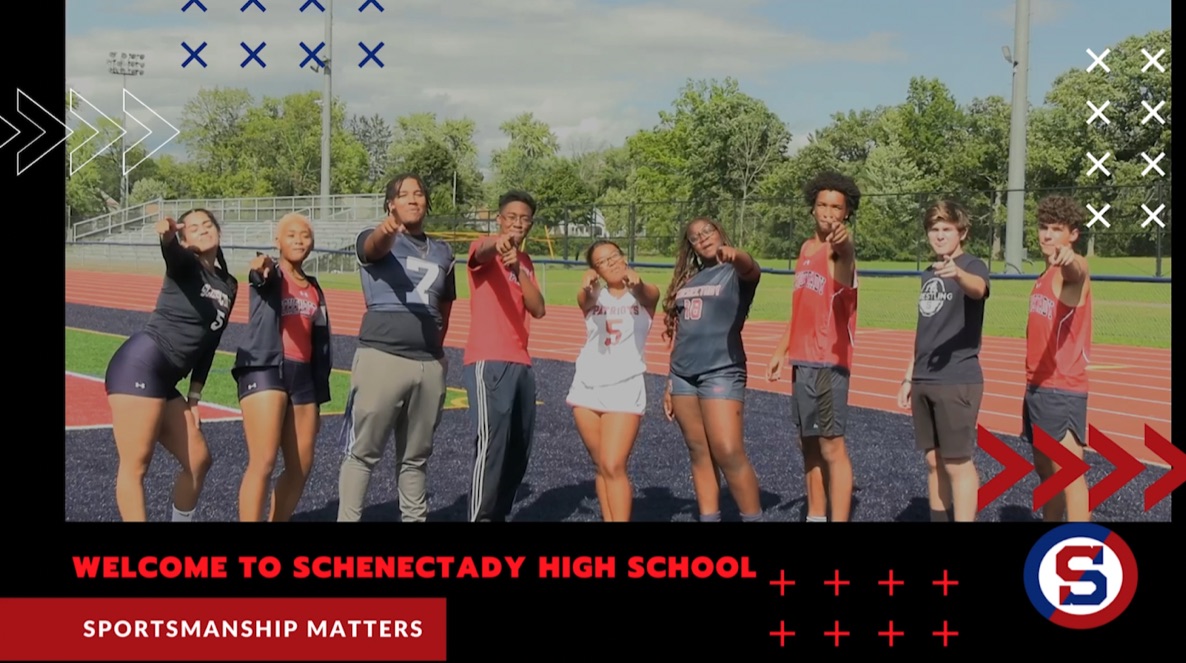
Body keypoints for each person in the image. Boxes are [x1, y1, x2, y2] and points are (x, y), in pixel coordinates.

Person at [103, 209, 238, 522]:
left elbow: (210, 342)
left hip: (166, 381)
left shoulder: (229, 284)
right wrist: (165, 234)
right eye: (193, 227)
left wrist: (194, 399)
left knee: (199, 460)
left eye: (208, 224)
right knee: (136, 464)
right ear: (185, 239)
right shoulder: (185, 265)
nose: (203, 230)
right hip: (140, 366)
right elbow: (171, 252)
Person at [337, 174, 456, 522]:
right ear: (391, 204)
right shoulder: (375, 237)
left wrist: (439, 350)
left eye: (419, 193)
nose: (413, 199)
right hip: (383, 355)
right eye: (404, 194)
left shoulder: (443, 251)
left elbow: (445, 305)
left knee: (416, 457)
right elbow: (374, 246)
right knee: (363, 453)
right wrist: (388, 229)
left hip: (427, 362)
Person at [767, 171, 860, 523]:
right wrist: (781, 350)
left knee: (831, 446)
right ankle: (816, 515)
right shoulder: (806, 249)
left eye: (836, 207)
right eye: (822, 205)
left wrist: (844, 243)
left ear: (846, 213)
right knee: (807, 443)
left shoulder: (839, 253)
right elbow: (800, 309)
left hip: (827, 362)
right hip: (802, 360)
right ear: (812, 209)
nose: (828, 212)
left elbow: (845, 255)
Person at [661, 217, 764, 522]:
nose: (703, 238)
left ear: (720, 232)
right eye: (695, 237)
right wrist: (670, 380)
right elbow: (683, 332)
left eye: (708, 232)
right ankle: (709, 517)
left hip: (721, 370)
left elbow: (751, 268)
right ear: (690, 246)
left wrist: (736, 254)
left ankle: (753, 517)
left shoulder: (734, 272)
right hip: (682, 376)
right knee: (699, 451)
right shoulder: (688, 280)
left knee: (728, 450)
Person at [232, 213, 332, 522]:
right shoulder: (272, 273)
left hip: (303, 379)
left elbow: (320, 346)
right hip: (265, 368)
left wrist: (318, 398)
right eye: (291, 235)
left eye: (304, 235)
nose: (299, 240)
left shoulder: (315, 289)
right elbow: (261, 277)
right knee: (263, 461)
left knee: (301, 466)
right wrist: (260, 269)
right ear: (278, 242)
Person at [896, 200, 990, 523]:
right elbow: (925, 330)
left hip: (957, 378)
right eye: (934, 230)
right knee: (934, 461)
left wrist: (959, 274)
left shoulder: (972, 266)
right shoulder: (928, 274)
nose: (939, 236)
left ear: (961, 232)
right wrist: (909, 376)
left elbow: (978, 289)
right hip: (925, 378)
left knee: (957, 462)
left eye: (946, 229)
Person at [463, 190, 546, 522]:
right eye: (512, 217)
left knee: (518, 449)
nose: (518, 223)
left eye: (524, 218)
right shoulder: (485, 247)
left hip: (521, 362)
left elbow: (538, 308)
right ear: (500, 219)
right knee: (492, 445)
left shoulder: (524, 262)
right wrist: (496, 244)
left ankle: (498, 514)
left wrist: (520, 269)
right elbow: (480, 253)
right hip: (489, 359)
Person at [566, 240, 660, 522]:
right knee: (601, 465)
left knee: (613, 463)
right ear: (595, 270)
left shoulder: (645, 294)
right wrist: (588, 288)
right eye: (603, 262)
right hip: (586, 386)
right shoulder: (593, 296)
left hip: (625, 385)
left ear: (624, 256)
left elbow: (648, 294)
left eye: (615, 256)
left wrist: (638, 286)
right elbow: (586, 300)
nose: (612, 263)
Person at [1023, 195, 1093, 522]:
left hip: (1062, 389)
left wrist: (1070, 260)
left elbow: (1078, 271)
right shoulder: (1044, 275)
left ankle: (1081, 551)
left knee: (1069, 474)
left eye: (1056, 229)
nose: (1047, 235)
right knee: (1047, 474)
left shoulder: (1069, 271)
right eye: (1043, 228)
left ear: (1073, 235)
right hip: (1037, 387)